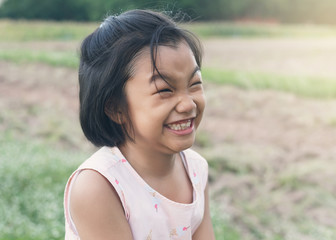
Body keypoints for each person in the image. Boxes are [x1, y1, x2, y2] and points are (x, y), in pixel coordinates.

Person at [64, 9, 215, 240]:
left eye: (194, 83)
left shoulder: (196, 170)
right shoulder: (98, 186)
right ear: (116, 109)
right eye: (165, 90)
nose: (187, 104)